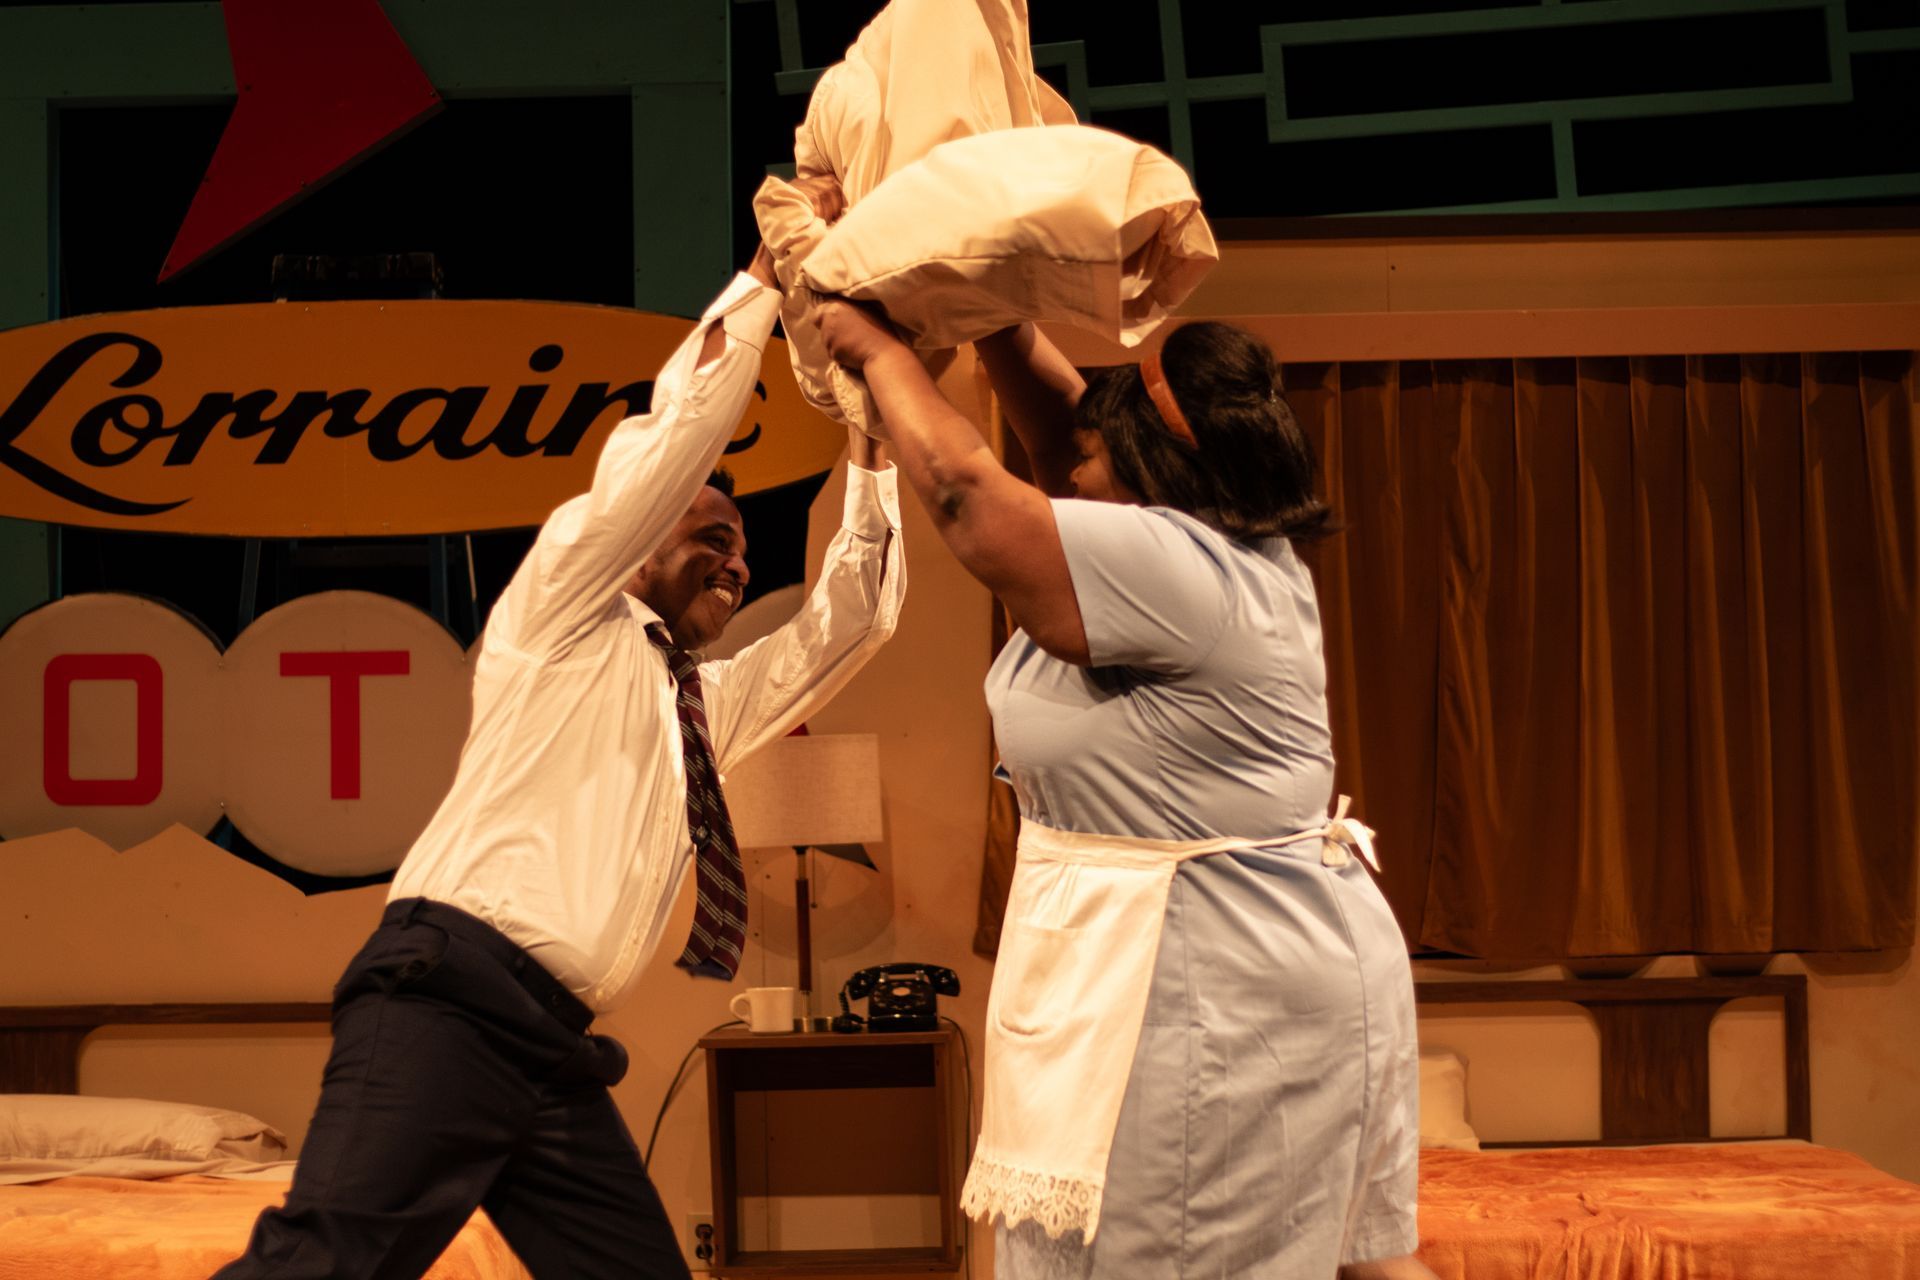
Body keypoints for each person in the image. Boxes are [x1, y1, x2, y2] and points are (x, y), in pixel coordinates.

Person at [216, 181, 905, 1280]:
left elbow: (852, 621)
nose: (736, 563)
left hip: (552, 1049)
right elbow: (669, 445)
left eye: (743, 551)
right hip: (448, 998)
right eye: (712, 536)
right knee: (323, 1265)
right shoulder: (566, 609)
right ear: (642, 544)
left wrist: (872, 438)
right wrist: (767, 278)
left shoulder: (699, 703)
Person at [813, 305, 1435, 1280]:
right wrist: (998, 321)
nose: (1072, 466)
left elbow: (967, 495)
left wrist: (881, 351)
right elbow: (1065, 438)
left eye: (1100, 452)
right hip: (1235, 949)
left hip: (1212, 982)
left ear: (1155, 470)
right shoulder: (1210, 549)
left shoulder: (1177, 566)